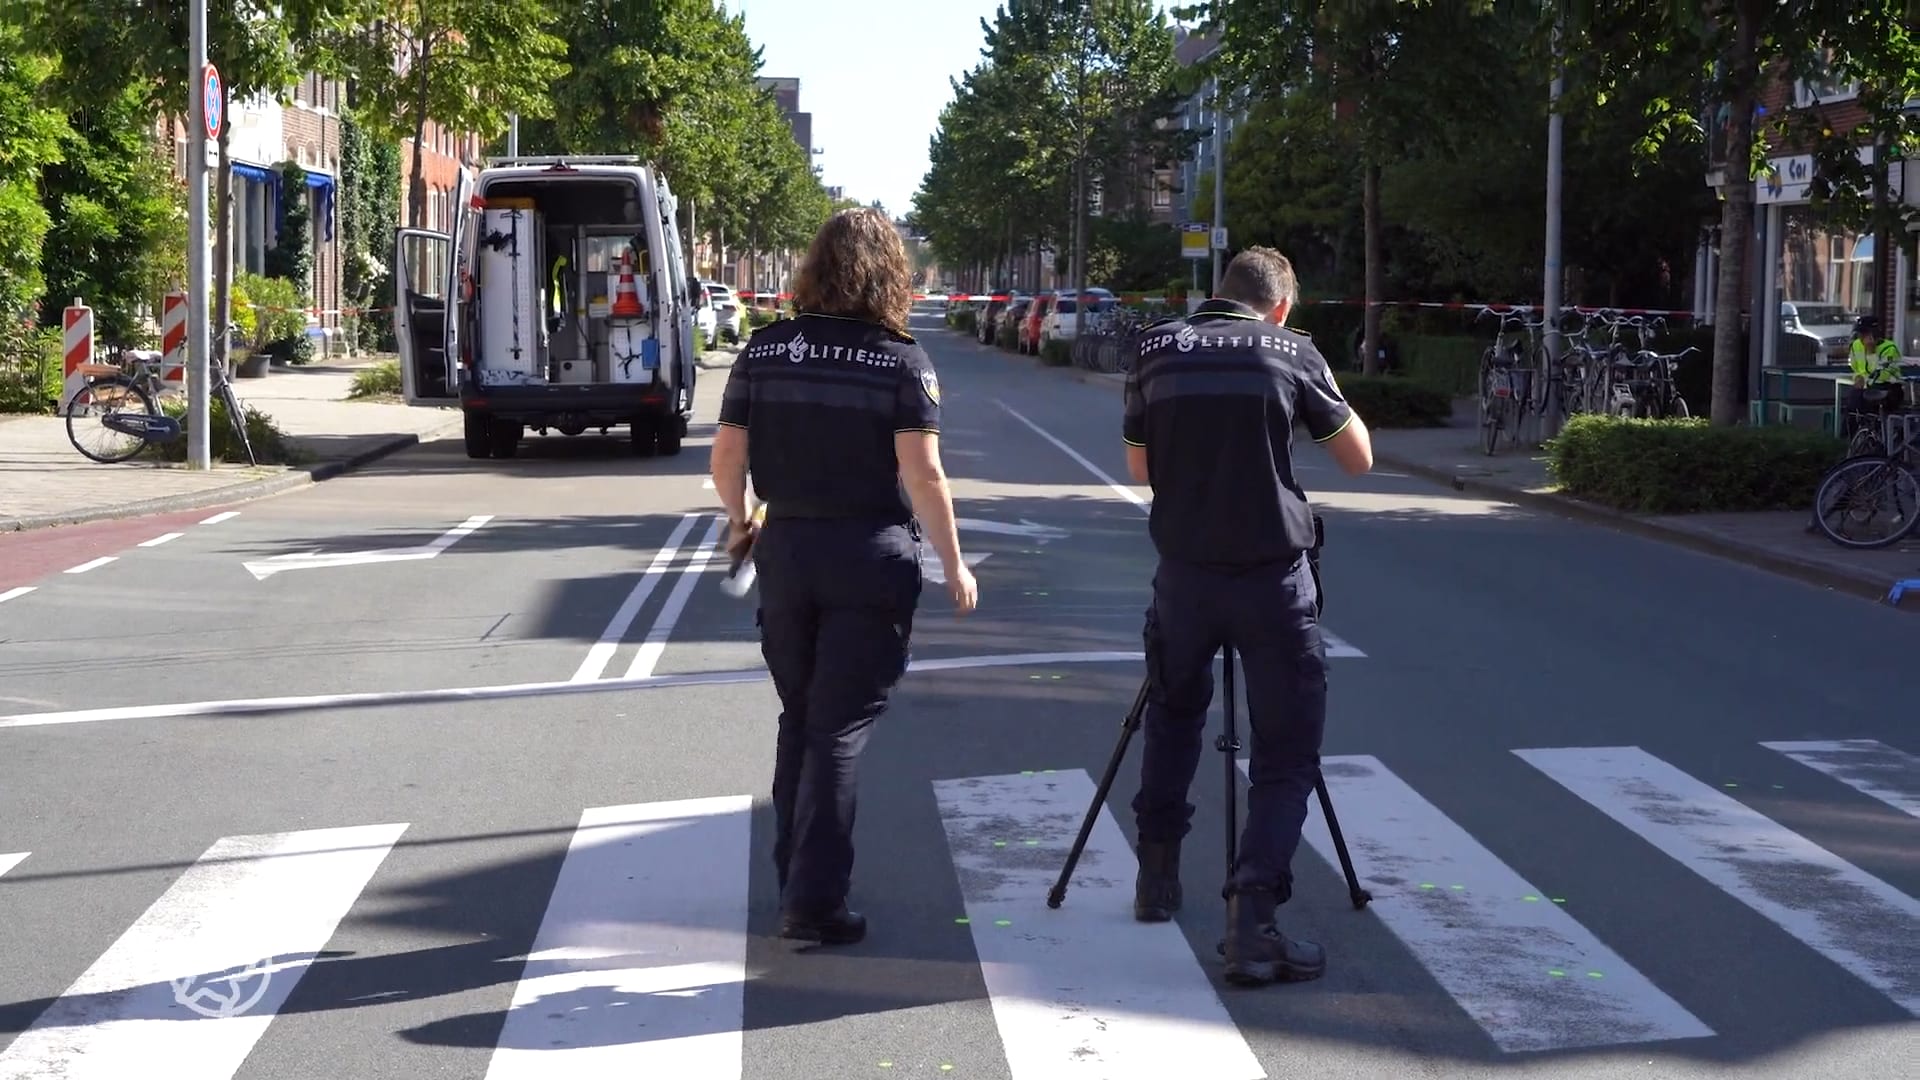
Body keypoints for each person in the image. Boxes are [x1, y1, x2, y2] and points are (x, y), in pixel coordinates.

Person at [708, 206, 979, 947]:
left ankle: (793, 872)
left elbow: (726, 460)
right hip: (868, 553)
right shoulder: (900, 359)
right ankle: (817, 900)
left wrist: (740, 520)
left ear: (814, 268)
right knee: (840, 729)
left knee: (801, 715)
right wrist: (954, 563)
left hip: (787, 551)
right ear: (889, 274)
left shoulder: (763, 352)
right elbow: (922, 474)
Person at [1120, 246, 1374, 987]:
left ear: (1217, 294)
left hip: (1186, 576)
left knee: (1172, 718)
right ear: (1281, 305)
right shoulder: (1291, 349)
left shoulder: (1155, 348)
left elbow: (1140, 469)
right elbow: (1357, 457)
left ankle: (1156, 883)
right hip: (1272, 581)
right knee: (1286, 753)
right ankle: (1253, 921)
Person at [1845, 315, 1906, 424]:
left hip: (1889, 388)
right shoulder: (1856, 345)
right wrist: (1858, 377)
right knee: (1851, 403)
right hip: (1867, 387)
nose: (1860, 337)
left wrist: (1871, 352)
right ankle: (1853, 436)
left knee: (1860, 401)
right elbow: (1856, 367)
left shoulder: (1889, 348)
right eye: (1859, 334)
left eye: (1864, 333)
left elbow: (1883, 375)